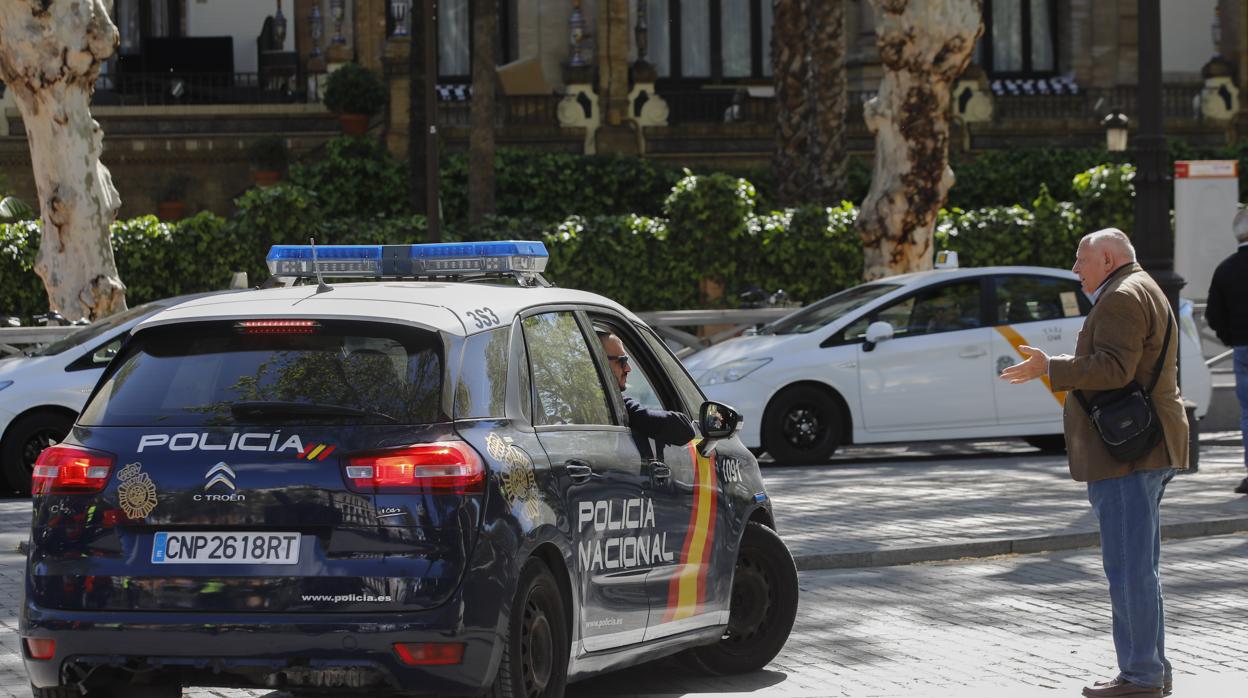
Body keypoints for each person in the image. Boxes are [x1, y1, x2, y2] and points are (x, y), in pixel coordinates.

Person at [1001, 228, 1188, 698]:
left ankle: (1141, 675)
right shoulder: (1141, 286)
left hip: (1129, 453)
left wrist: (1053, 368)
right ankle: (1150, 670)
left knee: (1128, 568)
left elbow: (1113, 369)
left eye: (1081, 260)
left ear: (1107, 259)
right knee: (1140, 567)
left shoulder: (1122, 296)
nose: (1075, 270)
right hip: (1146, 446)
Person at [597, 331, 695, 459]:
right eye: (622, 361)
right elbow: (684, 429)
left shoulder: (577, 404)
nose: (628, 369)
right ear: (597, 362)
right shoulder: (614, 406)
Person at [1205, 208, 1248, 496]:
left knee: (1247, 413)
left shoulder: (1225, 269)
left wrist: (1231, 338)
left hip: (1243, 348)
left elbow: (1212, 315)